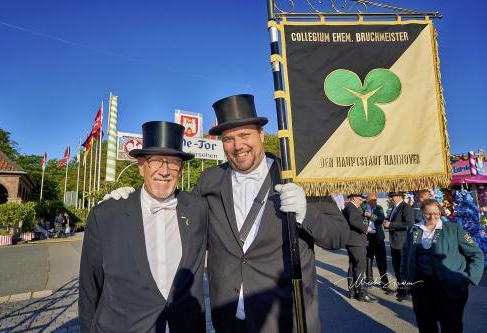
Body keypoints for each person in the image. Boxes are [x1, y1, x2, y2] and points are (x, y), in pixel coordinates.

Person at [107, 94, 349, 332]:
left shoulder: (296, 175)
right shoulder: (209, 180)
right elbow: (176, 213)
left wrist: (305, 212)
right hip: (229, 319)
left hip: (286, 317)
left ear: (262, 135)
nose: (237, 145)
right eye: (228, 139)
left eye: (245, 135)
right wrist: (135, 197)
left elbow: (338, 236)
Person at [79, 121, 208, 333]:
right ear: (141, 166)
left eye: (173, 163)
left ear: (181, 169)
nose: (164, 171)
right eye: (156, 161)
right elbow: (89, 287)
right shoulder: (106, 215)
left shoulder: (198, 209)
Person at [401, 199, 484, 332]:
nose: (432, 217)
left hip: (449, 289)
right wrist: (405, 278)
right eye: (428, 213)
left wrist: (469, 278)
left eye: (435, 213)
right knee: (426, 325)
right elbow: (406, 255)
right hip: (421, 288)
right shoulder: (414, 229)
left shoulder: (454, 229)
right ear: (422, 213)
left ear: (440, 212)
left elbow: (476, 254)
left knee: (451, 326)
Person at [383, 191, 414, 298]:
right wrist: (387, 222)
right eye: (390, 196)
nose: (391, 198)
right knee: (396, 267)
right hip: (394, 241)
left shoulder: (406, 207)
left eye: (392, 196)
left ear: (399, 196)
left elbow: (409, 224)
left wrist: (391, 224)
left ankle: (404, 290)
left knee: (402, 267)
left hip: (402, 242)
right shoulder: (395, 207)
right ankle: (400, 288)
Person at [343, 194, 372, 302]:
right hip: (356, 242)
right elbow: (353, 220)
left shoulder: (351, 207)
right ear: (354, 198)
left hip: (353, 241)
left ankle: (352, 292)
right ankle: (361, 293)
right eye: (360, 199)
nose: (361, 201)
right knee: (360, 267)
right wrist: (366, 228)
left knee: (353, 266)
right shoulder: (351, 207)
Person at [363, 193, 389, 291]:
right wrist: (365, 225)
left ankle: (384, 281)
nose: (374, 202)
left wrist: (370, 216)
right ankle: (369, 280)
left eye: (375, 200)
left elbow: (380, 220)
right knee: (368, 260)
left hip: (378, 237)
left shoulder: (379, 208)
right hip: (368, 237)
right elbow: (362, 222)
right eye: (372, 200)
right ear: (368, 201)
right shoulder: (364, 209)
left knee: (381, 261)